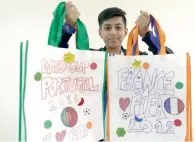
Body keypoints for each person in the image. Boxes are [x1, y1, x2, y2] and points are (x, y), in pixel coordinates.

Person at [58, 1, 174, 141]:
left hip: (132, 132)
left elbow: (168, 61)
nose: (113, 32)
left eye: (118, 27)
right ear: (100, 33)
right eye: (107, 28)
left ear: (125, 31)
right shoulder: (90, 61)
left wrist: (146, 34)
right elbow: (58, 57)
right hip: (96, 133)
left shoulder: (139, 61)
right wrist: (69, 26)